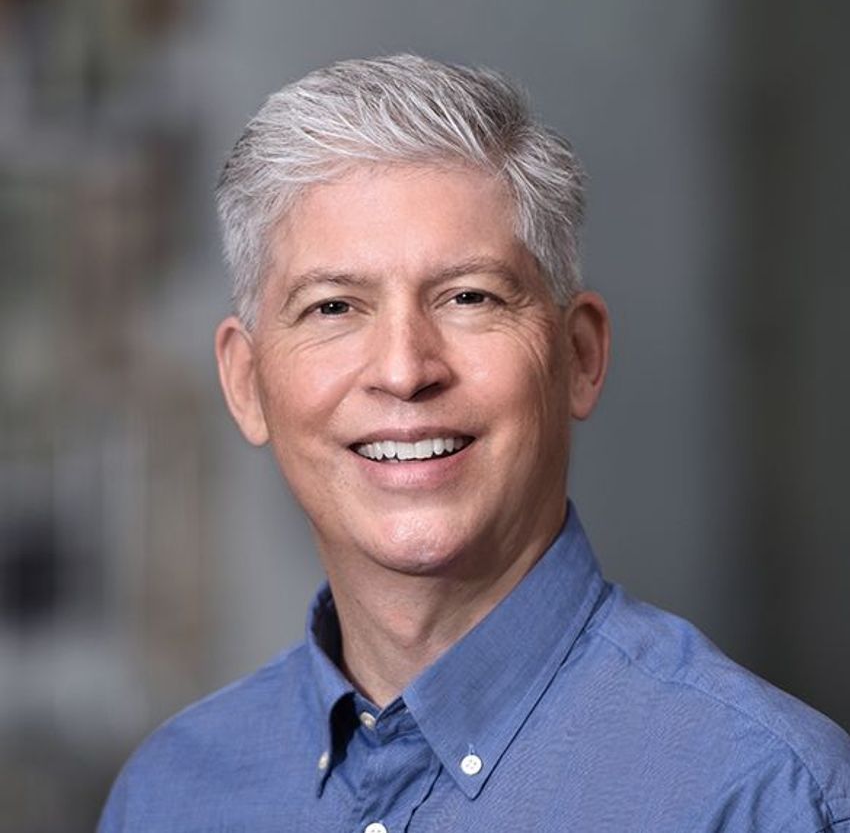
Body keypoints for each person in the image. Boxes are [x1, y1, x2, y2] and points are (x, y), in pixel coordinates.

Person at [98, 54, 850, 832]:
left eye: (469, 297)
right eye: (333, 308)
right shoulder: (169, 796)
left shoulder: (766, 797)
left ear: (579, 357)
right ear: (247, 384)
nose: (403, 370)